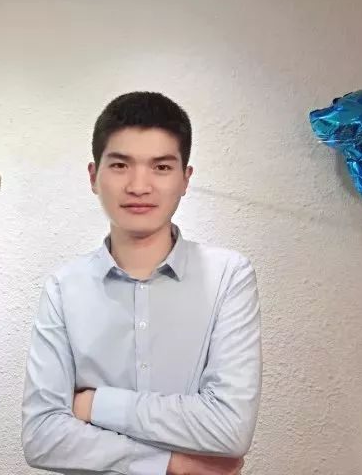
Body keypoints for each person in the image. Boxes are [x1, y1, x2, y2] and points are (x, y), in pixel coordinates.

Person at [21, 91, 262, 475]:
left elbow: (230, 427)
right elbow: (42, 437)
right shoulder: (63, 288)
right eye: (120, 165)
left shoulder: (228, 276)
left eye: (161, 167)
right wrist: (171, 463)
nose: (138, 186)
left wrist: (94, 404)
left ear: (185, 179)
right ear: (93, 176)